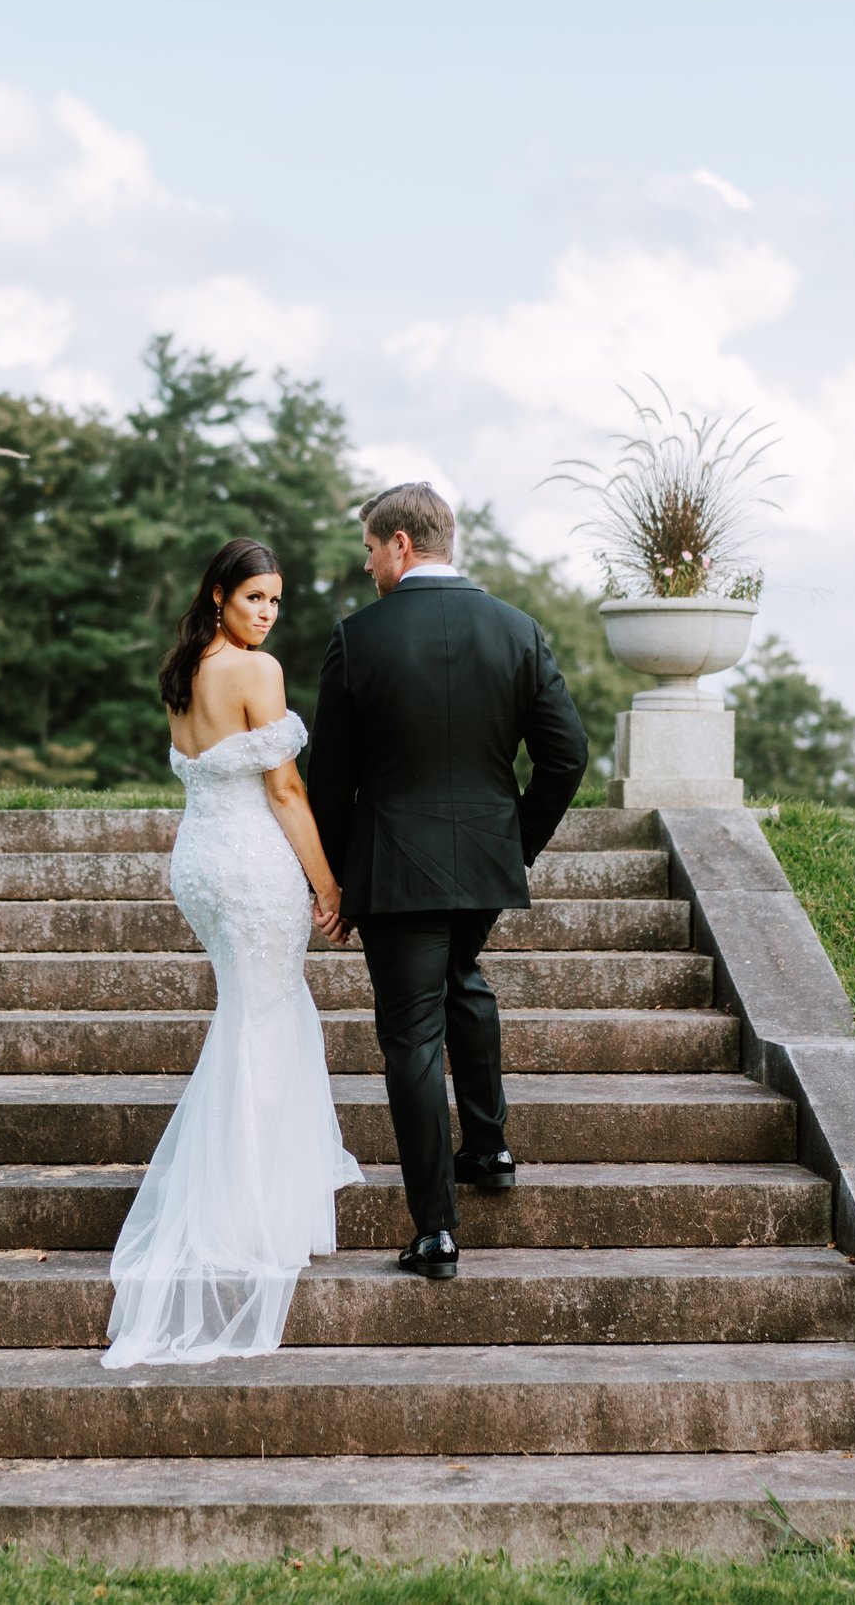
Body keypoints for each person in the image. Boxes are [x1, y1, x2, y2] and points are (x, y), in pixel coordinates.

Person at [306, 483, 588, 1280]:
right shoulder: (519, 630)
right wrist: (516, 846)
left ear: (400, 543)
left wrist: (330, 882)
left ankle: (435, 1229)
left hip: (395, 871)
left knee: (411, 1039)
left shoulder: (358, 639)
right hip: (485, 865)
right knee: (461, 976)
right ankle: (491, 1147)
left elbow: (327, 780)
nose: (366, 565)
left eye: (369, 548)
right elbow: (568, 757)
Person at [100, 537, 363, 1368]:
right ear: (219, 595)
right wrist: (328, 884)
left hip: (200, 863)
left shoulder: (183, 671)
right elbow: (284, 788)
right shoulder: (257, 672)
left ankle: (240, 1194)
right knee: (264, 1020)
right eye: (255, 598)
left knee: (251, 1014)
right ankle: (246, 1212)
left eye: (276, 601)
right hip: (249, 865)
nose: (268, 614)